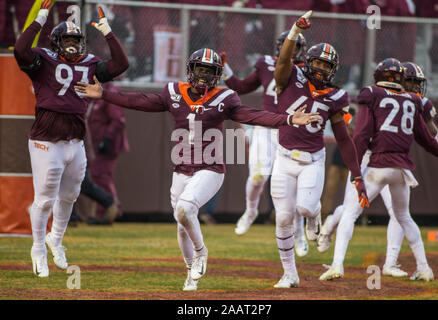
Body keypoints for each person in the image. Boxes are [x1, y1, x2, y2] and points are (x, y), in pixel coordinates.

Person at [75, 47, 321, 291]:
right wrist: (104, 94)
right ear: (190, 70)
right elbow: (140, 101)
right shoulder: (174, 92)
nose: (203, 76)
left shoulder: (224, 98)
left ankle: (202, 253)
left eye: (209, 71)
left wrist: (287, 119)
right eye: (200, 70)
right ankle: (191, 276)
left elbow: (251, 115)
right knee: (181, 225)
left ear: (217, 75)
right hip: (181, 168)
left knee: (184, 209)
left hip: (210, 168)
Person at [13, 1, 129, 277]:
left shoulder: (89, 64)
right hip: (46, 140)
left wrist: (107, 31)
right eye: (67, 39)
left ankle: (56, 239)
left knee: (71, 195)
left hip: (74, 141)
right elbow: (20, 49)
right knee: (44, 198)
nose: (73, 45)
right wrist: (41, 16)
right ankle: (38, 248)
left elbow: (121, 64)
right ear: (56, 42)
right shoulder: (42, 61)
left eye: (76, 40)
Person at [319, 58, 438, 282]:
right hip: (400, 167)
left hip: (375, 162)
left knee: (352, 211)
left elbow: (361, 135)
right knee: (403, 216)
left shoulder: (373, 94)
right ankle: (424, 267)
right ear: (401, 79)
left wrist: (356, 169)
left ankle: (339, 264)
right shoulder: (413, 101)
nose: (416, 87)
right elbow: (427, 139)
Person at [270, 11, 368, 288]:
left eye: (327, 66)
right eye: (317, 63)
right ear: (307, 62)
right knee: (284, 218)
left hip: (312, 159)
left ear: (334, 70)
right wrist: (294, 30)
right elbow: (285, 59)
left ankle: (314, 215)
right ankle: (289, 274)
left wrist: (357, 176)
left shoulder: (337, 95)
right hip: (283, 156)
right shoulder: (289, 77)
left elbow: (343, 138)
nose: (321, 69)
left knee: (304, 207)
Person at [221, 31, 310, 257]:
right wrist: (225, 69)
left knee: (296, 187)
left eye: (290, 45)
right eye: (283, 44)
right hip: (266, 128)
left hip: (293, 131)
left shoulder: (307, 71)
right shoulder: (266, 63)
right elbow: (241, 87)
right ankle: (250, 211)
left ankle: (299, 231)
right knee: (258, 176)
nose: (285, 48)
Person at [88, 81, 129, 224]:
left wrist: (107, 139)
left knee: (101, 175)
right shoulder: (94, 89)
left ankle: (112, 208)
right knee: (98, 176)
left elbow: (118, 119)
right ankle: (101, 213)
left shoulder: (111, 90)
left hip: (108, 143)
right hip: (95, 142)